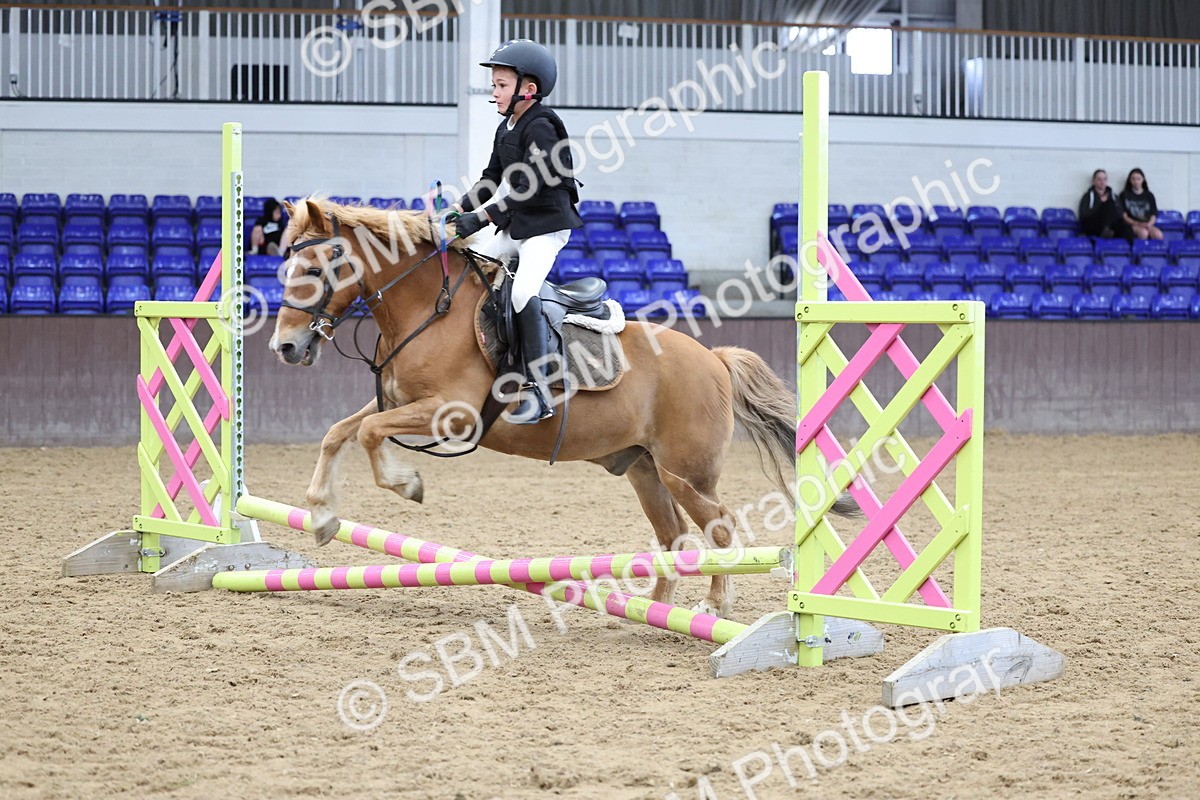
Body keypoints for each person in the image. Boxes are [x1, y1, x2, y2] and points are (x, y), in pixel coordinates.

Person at [452, 39, 583, 425]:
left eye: (501, 85)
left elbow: (532, 187)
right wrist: (459, 208)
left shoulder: (541, 127)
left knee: (524, 291)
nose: (494, 93)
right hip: (520, 223)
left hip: (547, 227)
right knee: (474, 270)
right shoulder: (505, 127)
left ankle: (539, 387)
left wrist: (484, 218)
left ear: (529, 88)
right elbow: (492, 177)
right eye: (494, 85)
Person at [1078, 169, 1128, 239]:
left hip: (1112, 227)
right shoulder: (1088, 196)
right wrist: (1100, 203)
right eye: (1099, 179)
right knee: (1109, 204)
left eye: (1104, 179)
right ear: (1094, 181)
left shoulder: (1114, 197)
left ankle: (1133, 247)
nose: (1102, 182)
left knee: (1126, 227)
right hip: (1094, 225)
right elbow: (1083, 216)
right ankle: (1106, 230)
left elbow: (1120, 214)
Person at [1118, 168, 1163, 241]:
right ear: (1130, 180)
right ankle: (1142, 252)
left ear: (1143, 180)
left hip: (1147, 224)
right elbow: (1124, 217)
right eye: (1133, 179)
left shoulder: (1149, 195)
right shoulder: (1124, 195)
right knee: (1143, 233)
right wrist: (1138, 224)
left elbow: (1153, 215)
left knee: (1158, 234)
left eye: (1138, 179)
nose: (1136, 182)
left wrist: (1149, 224)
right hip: (1132, 225)